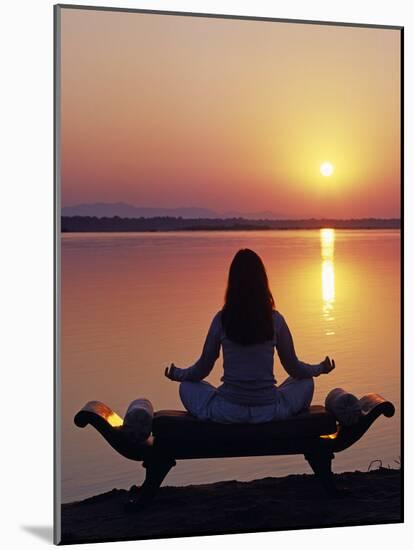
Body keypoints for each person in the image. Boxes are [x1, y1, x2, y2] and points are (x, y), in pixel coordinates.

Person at [165, 248, 335, 424]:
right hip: (269, 411)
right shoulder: (275, 320)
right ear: (262, 282)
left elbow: (202, 368)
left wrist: (179, 375)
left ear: (232, 283)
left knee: (187, 386)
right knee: (306, 382)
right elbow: (294, 368)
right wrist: (319, 369)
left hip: (228, 411)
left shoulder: (222, 319)